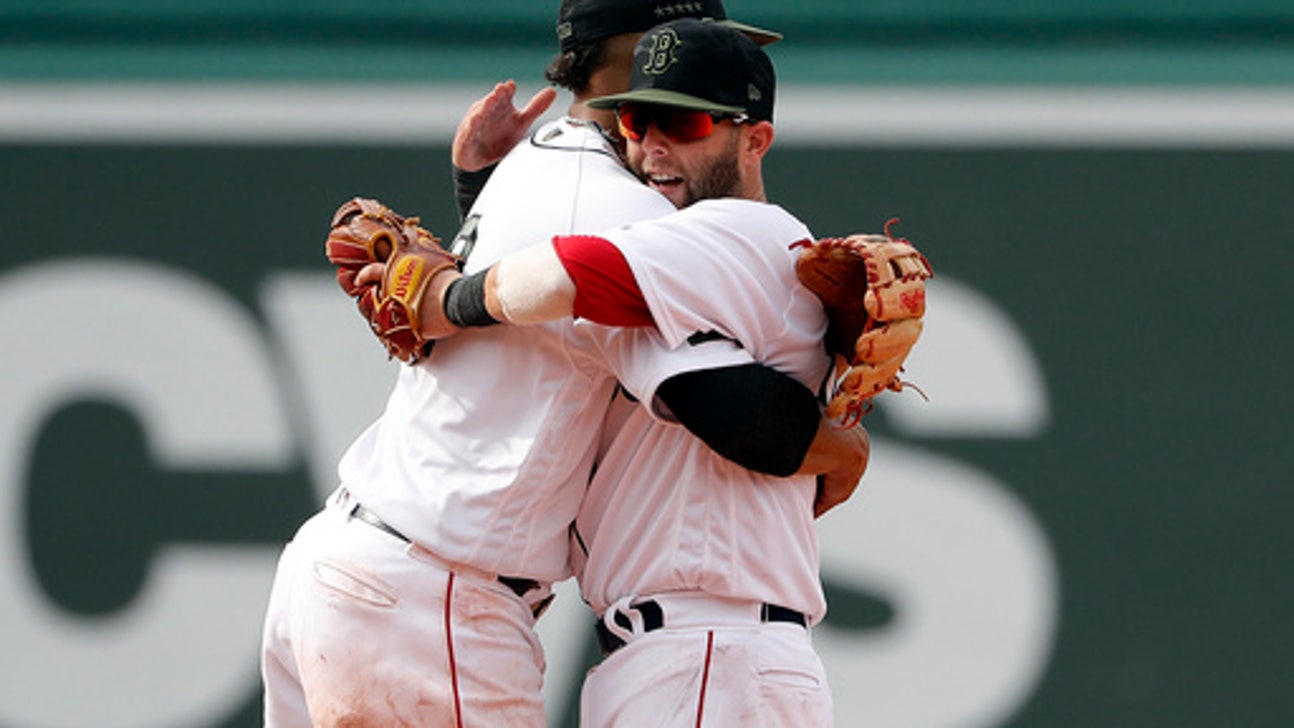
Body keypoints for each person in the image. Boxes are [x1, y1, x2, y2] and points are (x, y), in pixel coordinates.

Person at [260, 2, 864, 727]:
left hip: (352, 568)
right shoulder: (632, 209)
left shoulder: (538, 160)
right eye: (647, 113)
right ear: (631, 56)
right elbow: (730, 409)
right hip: (428, 596)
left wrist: (472, 185)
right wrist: (844, 448)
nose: (699, 49)